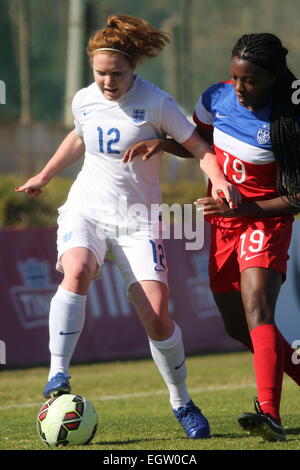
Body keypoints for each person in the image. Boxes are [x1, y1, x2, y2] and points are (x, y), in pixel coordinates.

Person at [16, 14, 239, 440]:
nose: (107, 82)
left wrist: (222, 180)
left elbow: (199, 147)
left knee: (156, 317)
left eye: (116, 74)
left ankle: (181, 401)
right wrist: (44, 176)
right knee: (77, 270)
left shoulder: (158, 103)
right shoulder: (84, 99)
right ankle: (57, 377)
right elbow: (78, 137)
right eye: (100, 73)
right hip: (86, 209)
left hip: (138, 222)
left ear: (134, 67)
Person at [124, 33, 300, 442]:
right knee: (239, 328)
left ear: (273, 78)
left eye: (250, 80)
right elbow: (200, 144)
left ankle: (268, 411)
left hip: (265, 221)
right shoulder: (215, 98)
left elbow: (296, 197)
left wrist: (245, 210)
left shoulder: (289, 121)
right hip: (224, 225)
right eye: (234, 78)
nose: (239, 88)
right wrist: (165, 143)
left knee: (257, 305)